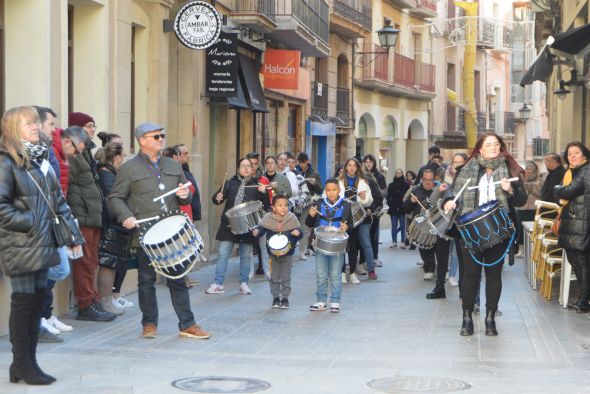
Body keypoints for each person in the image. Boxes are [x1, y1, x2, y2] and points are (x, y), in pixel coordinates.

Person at [0, 106, 83, 385]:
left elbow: (58, 200)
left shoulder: (41, 158)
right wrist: (33, 220)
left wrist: (73, 233)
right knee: (24, 304)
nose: (35, 127)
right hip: (20, 241)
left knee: (37, 302)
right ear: (13, 128)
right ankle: (23, 364)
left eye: (36, 122)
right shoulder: (5, 160)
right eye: (28, 124)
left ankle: (24, 364)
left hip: (43, 240)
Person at [109, 122, 210, 340]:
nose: (161, 139)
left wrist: (185, 195)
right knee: (146, 280)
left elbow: (187, 195)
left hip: (173, 231)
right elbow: (115, 198)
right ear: (142, 140)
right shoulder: (129, 168)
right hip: (147, 233)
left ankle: (188, 324)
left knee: (179, 279)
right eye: (155, 137)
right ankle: (149, 324)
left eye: (161, 136)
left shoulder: (173, 166)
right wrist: (125, 216)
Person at [444, 132, 526, 336]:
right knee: (470, 275)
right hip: (470, 229)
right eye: (489, 144)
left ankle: (490, 317)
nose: (493, 147)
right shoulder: (467, 169)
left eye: (496, 144)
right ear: (480, 148)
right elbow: (453, 192)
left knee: (494, 275)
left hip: (498, 230)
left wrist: (510, 190)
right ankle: (467, 317)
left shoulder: (510, 169)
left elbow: (520, 201)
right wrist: (449, 200)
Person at [38, 120, 91, 339]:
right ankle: (41, 315)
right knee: (56, 269)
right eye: (76, 150)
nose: (76, 155)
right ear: (68, 140)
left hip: (58, 217)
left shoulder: (57, 155)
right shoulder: (50, 152)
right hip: (48, 220)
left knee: (59, 269)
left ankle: (45, 313)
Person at [67, 112, 115, 322]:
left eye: (93, 126)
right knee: (85, 260)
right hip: (82, 214)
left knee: (92, 259)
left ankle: (93, 298)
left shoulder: (86, 152)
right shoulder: (74, 154)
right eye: (88, 126)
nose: (92, 130)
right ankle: (85, 304)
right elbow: (68, 185)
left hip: (93, 214)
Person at [206, 158, 266, 295]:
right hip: (228, 225)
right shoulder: (229, 184)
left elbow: (265, 206)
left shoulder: (257, 185)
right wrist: (217, 197)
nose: (246, 168)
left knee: (245, 256)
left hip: (247, 226)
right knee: (222, 254)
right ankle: (218, 284)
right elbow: (216, 200)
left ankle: (244, 283)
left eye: (248, 166)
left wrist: (263, 193)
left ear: (252, 169)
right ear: (238, 169)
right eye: (243, 166)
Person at [554, 142, 590, 313]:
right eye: (570, 154)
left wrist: (558, 188)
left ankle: (584, 302)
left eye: (577, 152)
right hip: (576, 222)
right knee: (577, 261)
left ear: (585, 155)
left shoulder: (585, 170)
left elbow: (568, 192)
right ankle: (584, 299)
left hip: (580, 223)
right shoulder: (574, 172)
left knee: (580, 262)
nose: (573, 156)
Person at [306, 178, 352, 313]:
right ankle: (321, 301)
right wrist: (311, 215)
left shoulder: (346, 204)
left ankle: (335, 302)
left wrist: (346, 226)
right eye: (328, 190)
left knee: (336, 274)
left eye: (334, 190)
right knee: (321, 273)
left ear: (339, 190)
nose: (331, 193)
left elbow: (351, 224)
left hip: (338, 245)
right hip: (320, 244)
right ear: (325, 191)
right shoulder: (319, 203)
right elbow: (309, 223)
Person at [96, 142, 129, 316]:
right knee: (108, 264)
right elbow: (112, 202)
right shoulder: (107, 175)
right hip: (111, 226)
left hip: (114, 225)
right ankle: (105, 301)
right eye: (122, 157)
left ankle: (108, 301)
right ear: (116, 158)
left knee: (112, 263)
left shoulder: (109, 174)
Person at [252, 194, 302, 309]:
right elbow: (261, 229)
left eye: (285, 205)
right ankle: (275, 297)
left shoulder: (292, 218)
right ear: (273, 207)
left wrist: (297, 233)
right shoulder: (268, 218)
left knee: (285, 276)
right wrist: (257, 232)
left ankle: (285, 298)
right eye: (280, 205)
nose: (283, 208)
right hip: (272, 253)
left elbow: (300, 232)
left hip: (288, 253)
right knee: (274, 276)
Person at [403, 169, 451, 289]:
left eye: (431, 180)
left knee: (441, 250)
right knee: (425, 247)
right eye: (426, 180)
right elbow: (405, 208)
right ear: (421, 179)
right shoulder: (415, 191)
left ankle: (442, 271)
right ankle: (429, 269)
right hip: (423, 225)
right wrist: (410, 201)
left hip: (438, 224)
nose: (428, 182)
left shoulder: (441, 190)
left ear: (434, 179)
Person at [338, 158, 375, 282]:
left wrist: (364, 198)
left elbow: (370, 200)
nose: (352, 168)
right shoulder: (339, 182)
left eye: (354, 166)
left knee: (353, 246)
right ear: (346, 167)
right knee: (342, 245)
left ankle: (353, 272)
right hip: (342, 218)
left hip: (357, 218)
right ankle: (342, 272)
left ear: (357, 168)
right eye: (349, 165)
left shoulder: (363, 182)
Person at [445, 153, 468, 289]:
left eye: (460, 162)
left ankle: (456, 275)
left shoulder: (467, 177)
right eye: (455, 162)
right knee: (452, 250)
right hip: (450, 218)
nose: (457, 164)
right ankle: (452, 274)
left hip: (463, 217)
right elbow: (445, 195)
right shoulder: (447, 177)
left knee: (458, 249)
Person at [295, 152, 322, 260]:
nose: (301, 165)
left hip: (308, 203)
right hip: (296, 202)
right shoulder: (295, 172)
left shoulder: (314, 173)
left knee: (303, 227)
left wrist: (314, 183)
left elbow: (320, 190)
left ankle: (302, 251)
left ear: (307, 162)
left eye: (303, 163)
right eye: (300, 163)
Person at [362, 154, 387, 267]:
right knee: (364, 236)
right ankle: (363, 259)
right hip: (364, 208)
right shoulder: (361, 176)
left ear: (374, 163)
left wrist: (373, 188)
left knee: (374, 235)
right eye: (366, 162)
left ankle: (374, 257)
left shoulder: (379, 176)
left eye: (370, 162)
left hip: (375, 208)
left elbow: (383, 192)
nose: (368, 163)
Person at [387, 168, 410, 248]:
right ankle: (394, 241)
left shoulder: (406, 185)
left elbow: (408, 196)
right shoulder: (391, 185)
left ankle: (403, 241)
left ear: (402, 174)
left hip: (402, 208)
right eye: (396, 173)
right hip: (393, 208)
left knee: (403, 225)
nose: (398, 174)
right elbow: (388, 196)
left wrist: (406, 205)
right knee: (394, 225)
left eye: (399, 173)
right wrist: (390, 204)